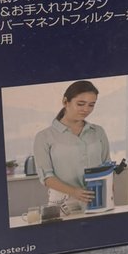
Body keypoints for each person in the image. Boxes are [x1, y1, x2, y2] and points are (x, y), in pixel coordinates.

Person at [33, 80, 110, 211]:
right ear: (65, 102)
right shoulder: (44, 137)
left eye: (91, 105)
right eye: (80, 104)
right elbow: (46, 177)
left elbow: (106, 165)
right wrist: (74, 192)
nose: (86, 109)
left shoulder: (98, 132)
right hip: (63, 204)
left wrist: (108, 194)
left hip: (97, 199)